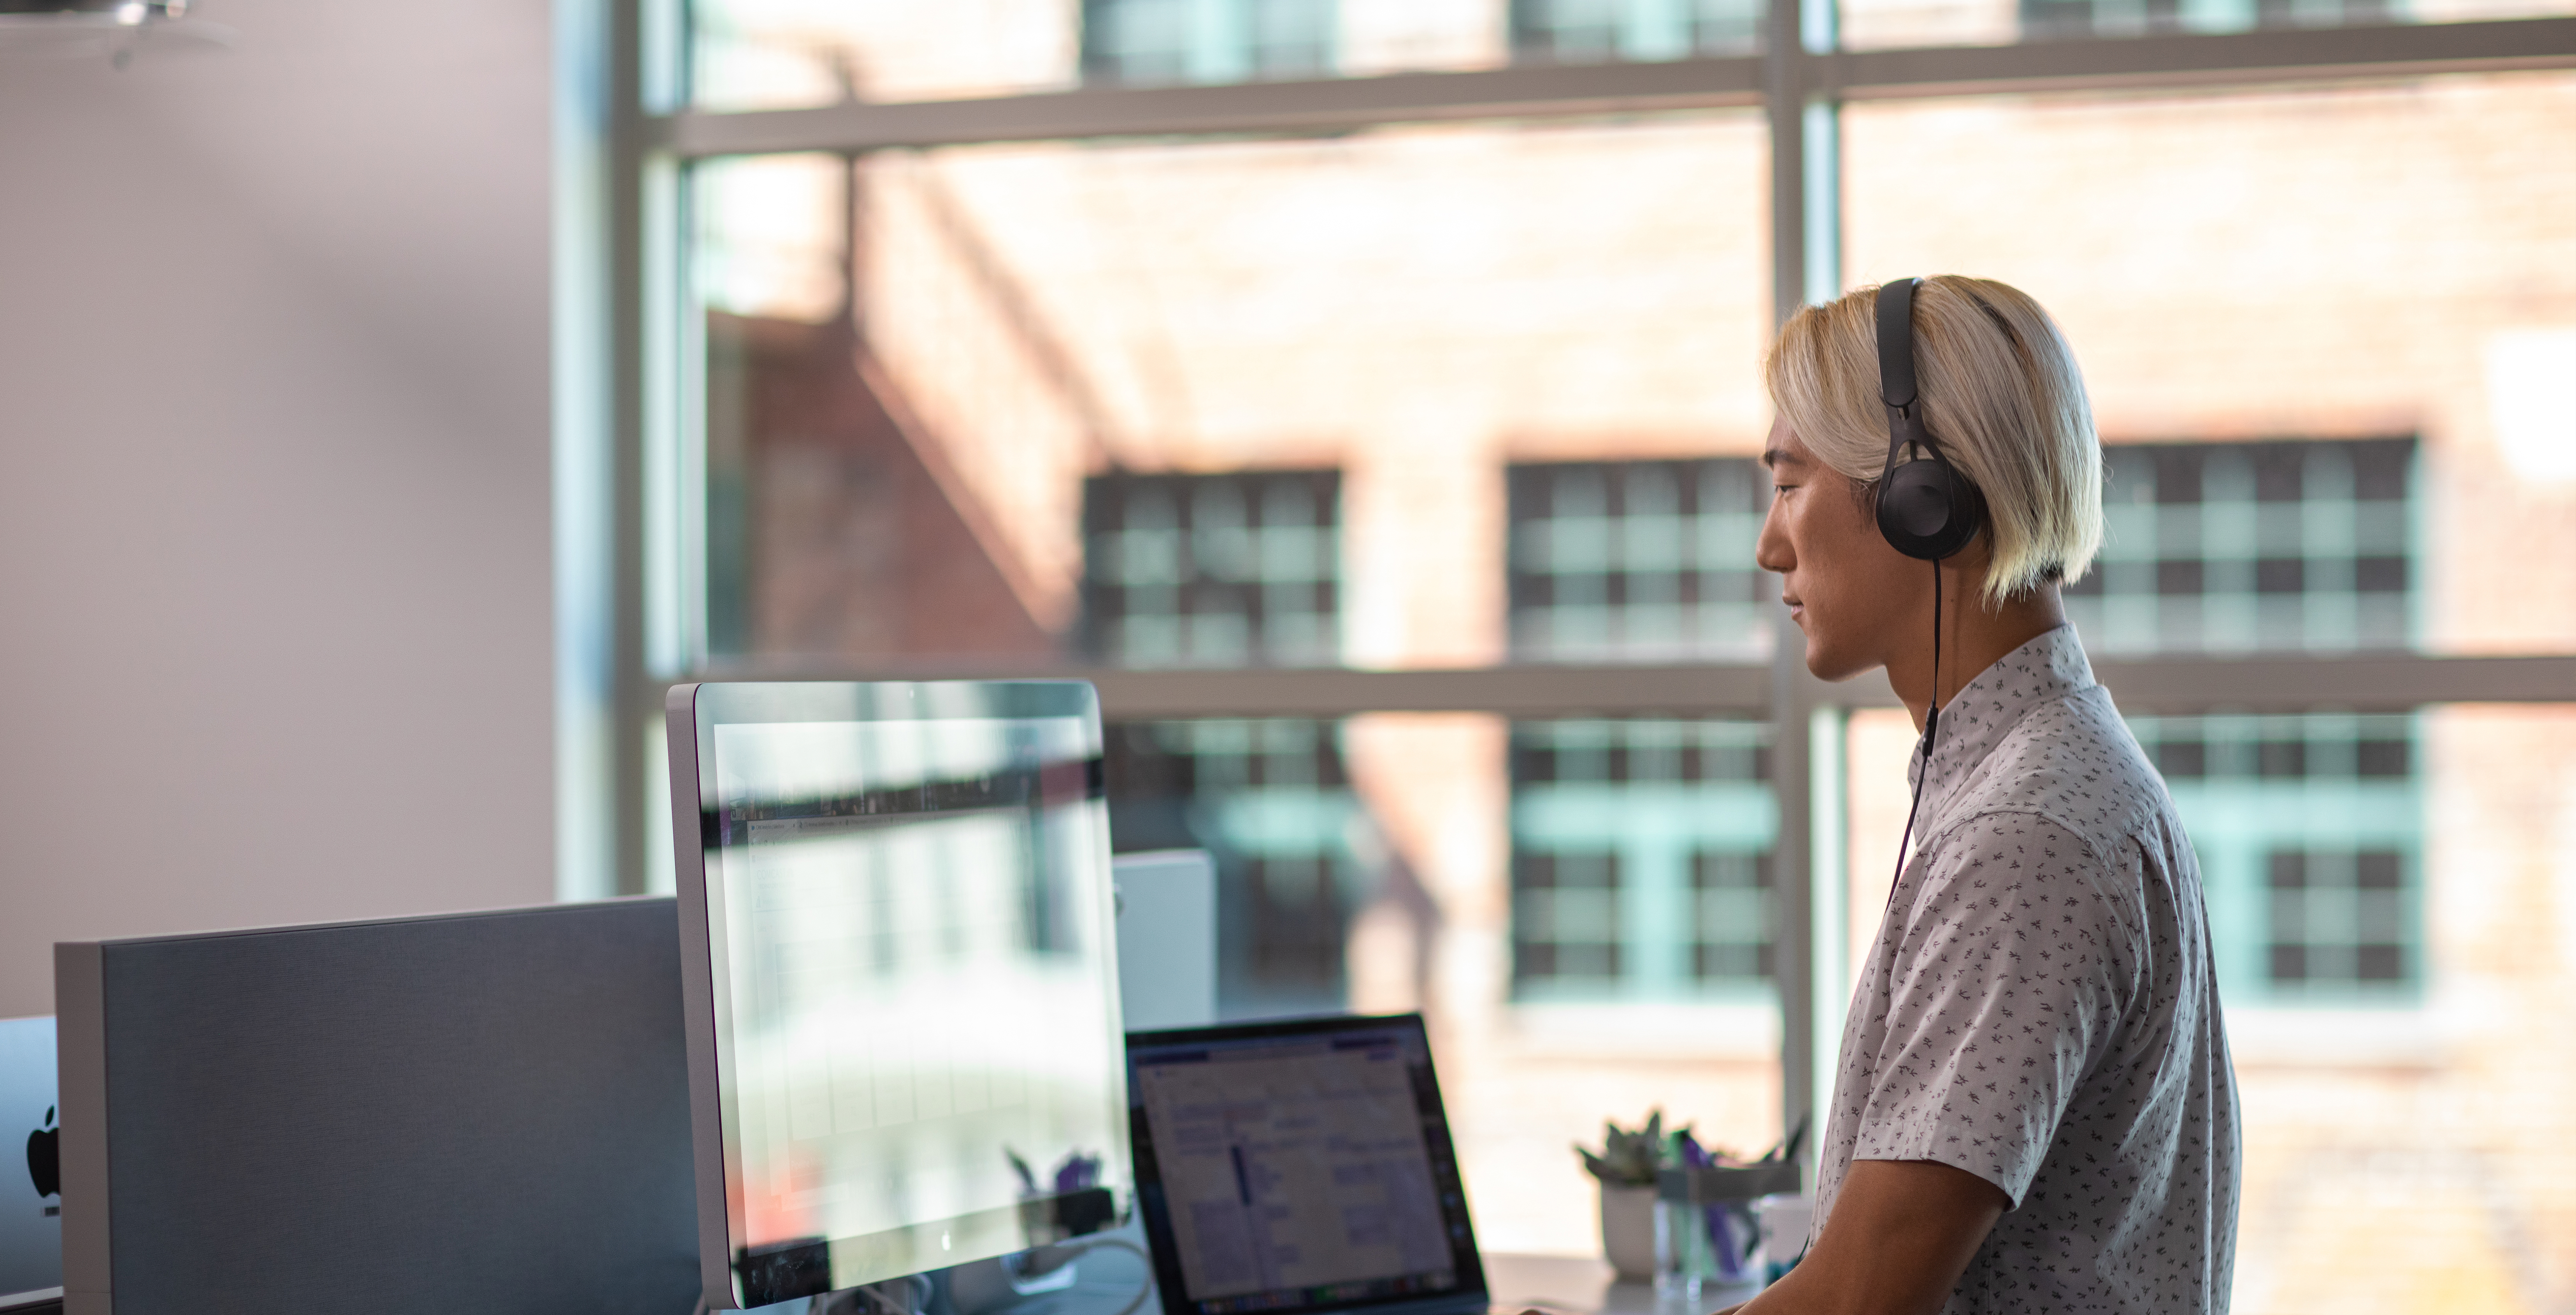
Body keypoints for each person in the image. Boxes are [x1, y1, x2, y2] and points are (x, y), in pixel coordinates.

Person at [1730, 277, 2240, 1315]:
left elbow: (1857, 1302)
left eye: (1788, 485)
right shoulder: (2029, 777)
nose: (1768, 545)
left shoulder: (2026, 832)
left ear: (1924, 502)